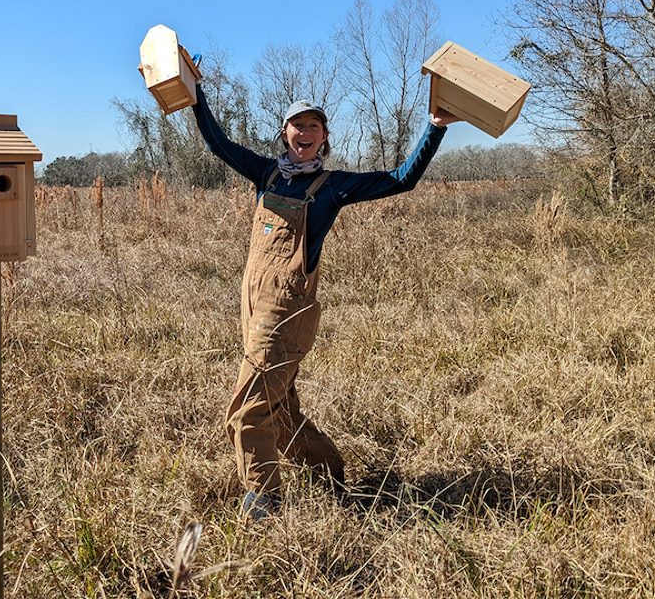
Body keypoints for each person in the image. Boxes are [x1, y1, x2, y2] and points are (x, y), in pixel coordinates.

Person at [191, 84, 458, 520]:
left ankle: (264, 501)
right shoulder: (267, 174)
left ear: (324, 137)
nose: (305, 131)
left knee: (247, 410)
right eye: (298, 124)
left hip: (288, 311)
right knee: (279, 409)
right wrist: (196, 93)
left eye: (314, 125)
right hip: (254, 304)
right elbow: (218, 143)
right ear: (284, 132)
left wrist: (435, 128)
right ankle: (329, 473)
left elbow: (401, 180)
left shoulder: (332, 187)